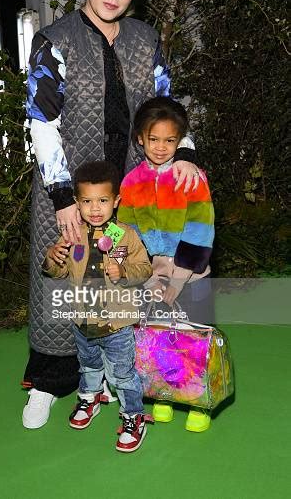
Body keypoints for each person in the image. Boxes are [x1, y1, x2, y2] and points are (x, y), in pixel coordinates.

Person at [22, 0, 200, 430]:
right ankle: (53, 384)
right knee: (68, 282)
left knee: (127, 278)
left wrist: (183, 154)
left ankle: (126, 380)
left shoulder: (144, 38)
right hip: (71, 192)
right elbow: (41, 122)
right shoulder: (54, 39)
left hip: (134, 190)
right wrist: (62, 198)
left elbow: (165, 104)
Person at [117, 96, 215, 432]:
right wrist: (131, 272)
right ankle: (163, 395)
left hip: (193, 278)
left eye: (170, 140)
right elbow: (126, 235)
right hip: (151, 281)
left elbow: (201, 232)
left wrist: (177, 281)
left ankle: (198, 402)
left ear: (180, 139)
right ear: (140, 139)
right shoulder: (130, 182)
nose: (161, 148)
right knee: (158, 340)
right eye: (153, 139)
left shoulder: (192, 177)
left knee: (193, 338)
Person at [44, 161, 153, 452]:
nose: (95, 208)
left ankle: (133, 416)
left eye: (103, 200)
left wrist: (125, 273)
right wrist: (53, 257)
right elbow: (58, 271)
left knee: (123, 374)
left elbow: (145, 268)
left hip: (116, 324)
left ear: (116, 201)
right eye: (87, 201)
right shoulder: (72, 234)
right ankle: (90, 397)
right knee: (88, 365)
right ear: (77, 204)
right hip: (82, 321)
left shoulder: (125, 234)